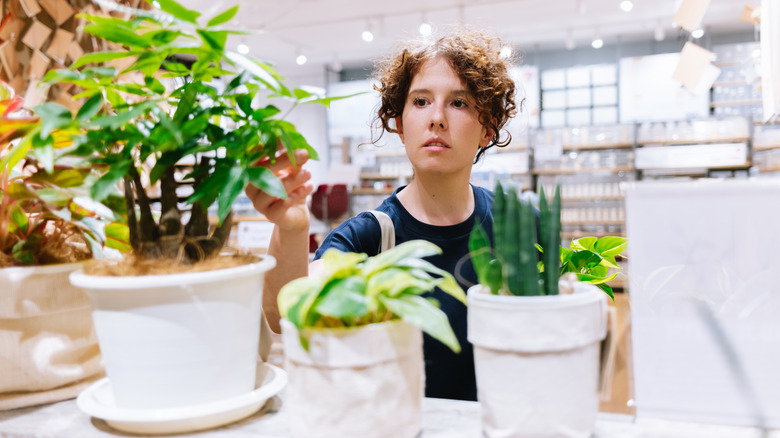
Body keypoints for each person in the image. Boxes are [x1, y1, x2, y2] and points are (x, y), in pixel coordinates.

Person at [246, 27, 518, 401]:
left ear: (487, 127)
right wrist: (292, 228)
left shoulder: (514, 224)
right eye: (421, 101)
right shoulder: (369, 236)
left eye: (459, 103)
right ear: (399, 124)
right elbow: (284, 315)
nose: (436, 117)